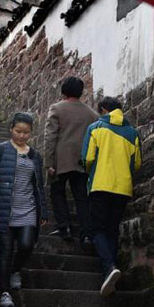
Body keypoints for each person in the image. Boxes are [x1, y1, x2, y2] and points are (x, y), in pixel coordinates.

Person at [0, 112, 48, 307]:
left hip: (28, 209)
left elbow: (39, 186)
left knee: (26, 245)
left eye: (26, 132)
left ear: (31, 132)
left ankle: (15, 269)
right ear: (11, 129)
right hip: (5, 208)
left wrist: (44, 211)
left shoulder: (35, 156)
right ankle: (5, 293)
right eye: (18, 131)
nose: (22, 135)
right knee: (6, 250)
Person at [82, 96, 141, 296]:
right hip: (123, 188)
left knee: (96, 229)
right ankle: (112, 273)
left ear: (103, 110)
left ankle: (109, 267)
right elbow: (137, 163)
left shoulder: (95, 128)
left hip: (100, 184)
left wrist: (92, 170)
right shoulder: (133, 133)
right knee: (112, 230)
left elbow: (87, 158)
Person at [44, 76, 98, 250]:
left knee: (57, 192)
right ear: (81, 92)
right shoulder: (92, 114)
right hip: (82, 161)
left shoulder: (57, 108)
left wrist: (48, 162)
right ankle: (86, 234)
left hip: (61, 159)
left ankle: (64, 227)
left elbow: (50, 136)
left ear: (64, 91)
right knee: (82, 197)